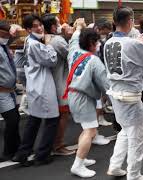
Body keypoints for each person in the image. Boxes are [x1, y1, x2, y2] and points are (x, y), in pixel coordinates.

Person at [104, 6, 143, 180]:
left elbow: (130, 54)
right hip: (130, 96)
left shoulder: (109, 42)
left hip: (116, 93)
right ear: (130, 22)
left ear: (114, 22)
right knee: (137, 137)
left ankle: (114, 166)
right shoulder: (132, 43)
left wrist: (139, 44)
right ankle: (134, 174)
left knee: (126, 132)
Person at [12, 14, 59, 166]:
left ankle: (22, 153)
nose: (39, 28)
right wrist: (49, 45)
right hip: (42, 85)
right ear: (28, 29)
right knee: (52, 120)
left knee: (34, 120)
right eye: (35, 26)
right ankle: (42, 155)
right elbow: (51, 60)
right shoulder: (36, 44)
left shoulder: (28, 41)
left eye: (40, 24)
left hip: (35, 84)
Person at [66, 18, 110, 178]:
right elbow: (106, 85)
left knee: (86, 129)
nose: (99, 44)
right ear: (92, 42)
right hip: (83, 98)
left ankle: (80, 158)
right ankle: (77, 165)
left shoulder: (74, 51)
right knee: (90, 131)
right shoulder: (94, 60)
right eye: (98, 41)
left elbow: (74, 38)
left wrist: (78, 27)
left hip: (73, 94)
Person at [41, 13, 75, 156]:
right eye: (58, 23)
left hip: (50, 81)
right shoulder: (57, 40)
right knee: (63, 114)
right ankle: (58, 145)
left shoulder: (45, 39)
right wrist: (74, 35)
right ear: (54, 27)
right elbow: (72, 55)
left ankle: (53, 144)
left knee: (55, 116)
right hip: (60, 82)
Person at [0, 20, 21, 161]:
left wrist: (15, 29)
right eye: (6, 33)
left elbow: (15, 35)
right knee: (12, 120)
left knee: (15, 119)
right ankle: (8, 152)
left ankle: (16, 148)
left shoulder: (3, 45)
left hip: (10, 91)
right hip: (1, 92)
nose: (8, 35)